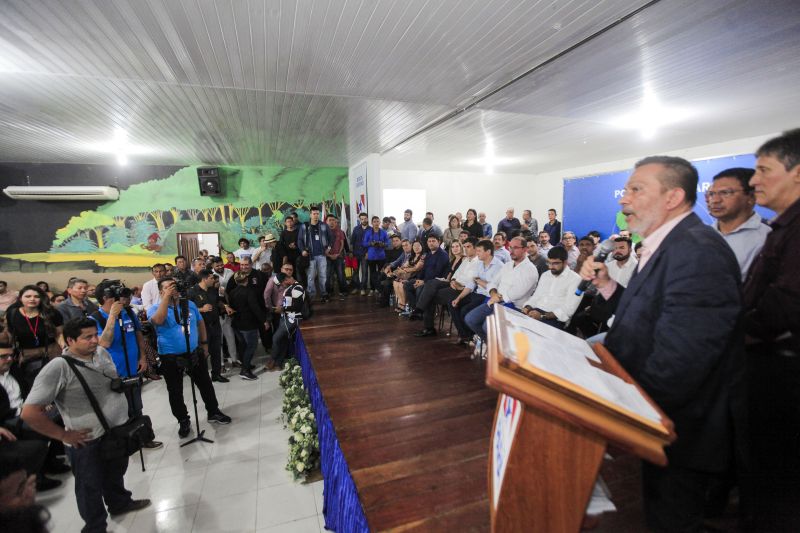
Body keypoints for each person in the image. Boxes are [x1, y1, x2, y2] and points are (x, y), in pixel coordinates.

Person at [579, 155, 743, 532]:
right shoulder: (666, 244)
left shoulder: (697, 251)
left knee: (673, 518)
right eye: (626, 190)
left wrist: (625, 416)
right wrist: (607, 285)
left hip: (681, 424)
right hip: (662, 414)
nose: (624, 199)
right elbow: (645, 317)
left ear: (673, 197)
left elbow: (683, 358)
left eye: (636, 190)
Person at [21, 318, 151, 533]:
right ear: (70, 341)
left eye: (95, 335)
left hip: (115, 431)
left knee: (115, 473)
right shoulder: (58, 367)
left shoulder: (101, 353)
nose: (94, 340)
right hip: (86, 441)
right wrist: (63, 435)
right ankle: (95, 527)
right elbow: (29, 412)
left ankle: (119, 502)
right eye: (87, 337)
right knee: (89, 486)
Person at [741, 129, 800, 530]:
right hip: (767, 368)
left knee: (780, 489)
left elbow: (786, 304)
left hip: (785, 375)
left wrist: (735, 328)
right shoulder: (783, 227)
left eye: (764, 170)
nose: (754, 180)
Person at [147, 278, 231, 438]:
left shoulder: (189, 304)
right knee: (175, 391)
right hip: (170, 356)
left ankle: (213, 411)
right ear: (160, 291)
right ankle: (183, 420)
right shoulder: (155, 308)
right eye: (168, 287)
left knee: (205, 384)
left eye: (174, 286)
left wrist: (204, 345)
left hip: (193, 352)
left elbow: (200, 323)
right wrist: (167, 298)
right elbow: (158, 320)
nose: (173, 289)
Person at [90, 281, 163, 448]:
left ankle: (143, 438)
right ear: (105, 298)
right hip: (113, 374)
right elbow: (104, 343)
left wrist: (142, 357)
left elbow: (138, 335)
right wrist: (112, 317)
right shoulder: (95, 319)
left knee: (137, 407)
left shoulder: (128, 312)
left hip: (133, 369)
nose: (123, 299)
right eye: (117, 295)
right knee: (120, 411)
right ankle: (125, 443)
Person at [465, 236, 538, 348]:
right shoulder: (508, 265)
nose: (511, 251)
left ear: (525, 249)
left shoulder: (530, 269)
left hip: (514, 307)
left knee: (487, 326)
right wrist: (493, 294)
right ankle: (490, 344)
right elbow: (493, 283)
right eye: (510, 247)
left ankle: (496, 349)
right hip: (496, 301)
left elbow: (517, 293)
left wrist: (497, 298)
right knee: (470, 319)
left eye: (515, 248)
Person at [706, 167, 771, 279]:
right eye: (711, 194)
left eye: (725, 193)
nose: (715, 200)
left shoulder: (768, 236)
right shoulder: (702, 234)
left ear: (751, 197)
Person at [415, 238, 478, 337]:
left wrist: (457, 284)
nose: (465, 249)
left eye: (468, 247)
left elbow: (472, 281)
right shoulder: (466, 260)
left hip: (462, 290)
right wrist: (453, 281)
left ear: (475, 248)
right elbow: (456, 274)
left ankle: (424, 319)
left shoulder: (477, 261)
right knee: (430, 286)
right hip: (453, 284)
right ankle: (423, 318)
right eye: (465, 247)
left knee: (429, 295)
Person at [5, 286, 65, 390]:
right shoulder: (12, 313)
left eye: (36, 296)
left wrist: (64, 349)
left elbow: (59, 334)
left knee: (50, 385)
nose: (32, 299)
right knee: (28, 385)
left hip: (49, 354)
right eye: (28, 296)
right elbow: (10, 335)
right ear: (20, 298)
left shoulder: (51, 313)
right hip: (25, 356)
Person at [520, 247, 582, 330]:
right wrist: (527, 307)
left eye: (555, 263)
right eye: (549, 263)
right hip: (536, 311)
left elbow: (568, 310)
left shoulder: (575, 279)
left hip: (555, 318)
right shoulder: (545, 275)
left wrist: (542, 316)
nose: (550, 267)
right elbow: (536, 296)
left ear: (565, 262)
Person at [188, 270, 229, 383]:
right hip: (202, 327)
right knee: (203, 353)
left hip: (215, 325)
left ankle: (216, 374)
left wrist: (225, 306)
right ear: (204, 279)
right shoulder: (192, 292)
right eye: (211, 278)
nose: (214, 280)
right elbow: (186, 310)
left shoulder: (212, 290)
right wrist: (201, 309)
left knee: (216, 351)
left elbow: (217, 302)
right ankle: (203, 377)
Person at [228, 271, 266, 381]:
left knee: (243, 345)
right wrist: (264, 320)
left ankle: (246, 364)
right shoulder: (249, 291)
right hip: (248, 324)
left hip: (237, 323)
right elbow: (255, 308)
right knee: (251, 346)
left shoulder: (232, 292)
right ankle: (245, 370)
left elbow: (232, 306)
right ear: (247, 280)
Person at [402, 235, 450, 317]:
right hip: (425, 280)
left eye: (433, 241)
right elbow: (424, 269)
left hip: (436, 281)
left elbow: (437, 273)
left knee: (419, 288)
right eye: (429, 241)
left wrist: (423, 281)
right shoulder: (429, 254)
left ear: (439, 242)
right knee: (407, 285)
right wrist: (419, 279)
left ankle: (420, 312)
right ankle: (415, 309)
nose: (431, 243)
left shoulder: (443, 254)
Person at [270, 273, 306, 371]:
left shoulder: (297, 288)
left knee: (276, 338)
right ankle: (278, 363)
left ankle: (272, 360)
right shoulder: (291, 287)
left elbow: (297, 307)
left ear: (286, 279)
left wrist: (283, 309)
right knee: (283, 340)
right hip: (286, 317)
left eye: (282, 283)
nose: (282, 286)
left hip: (293, 318)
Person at [298, 205, 332, 303]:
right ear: (310, 215)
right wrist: (302, 250)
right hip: (310, 256)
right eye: (314, 214)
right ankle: (311, 296)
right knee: (310, 277)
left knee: (323, 276)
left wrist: (329, 248)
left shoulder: (324, 225)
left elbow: (331, 237)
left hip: (322, 255)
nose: (316, 215)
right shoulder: (304, 226)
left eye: (317, 214)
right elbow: (300, 240)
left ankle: (324, 294)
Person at [392, 241, 425, 311]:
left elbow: (416, 268)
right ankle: (401, 303)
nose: (416, 247)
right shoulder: (412, 256)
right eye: (414, 246)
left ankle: (404, 305)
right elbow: (404, 265)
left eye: (418, 245)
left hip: (417, 276)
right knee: (395, 282)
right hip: (410, 276)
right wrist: (400, 269)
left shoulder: (423, 256)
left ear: (422, 246)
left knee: (402, 284)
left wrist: (405, 270)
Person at [363, 216, 391, 294]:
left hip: (381, 256)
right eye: (374, 221)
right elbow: (364, 243)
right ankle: (372, 289)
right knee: (372, 273)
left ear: (380, 222)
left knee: (381, 273)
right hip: (371, 256)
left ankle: (379, 289)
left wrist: (383, 244)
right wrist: (370, 243)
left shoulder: (383, 232)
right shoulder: (368, 232)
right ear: (371, 223)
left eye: (377, 221)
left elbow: (388, 242)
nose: (376, 223)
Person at [324, 216, 350, 299]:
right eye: (330, 220)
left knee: (341, 275)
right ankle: (329, 292)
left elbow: (342, 243)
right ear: (326, 222)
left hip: (338, 257)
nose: (332, 222)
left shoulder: (340, 231)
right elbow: (322, 245)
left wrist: (338, 254)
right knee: (328, 275)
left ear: (336, 222)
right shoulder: (323, 232)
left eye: (333, 220)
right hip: (327, 257)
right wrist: (329, 255)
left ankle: (343, 291)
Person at [350, 212, 370, 295]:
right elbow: (352, 241)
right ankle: (356, 287)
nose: (364, 220)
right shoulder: (356, 229)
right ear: (360, 220)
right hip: (355, 254)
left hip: (365, 254)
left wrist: (368, 253)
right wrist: (351, 252)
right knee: (355, 272)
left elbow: (371, 243)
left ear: (367, 219)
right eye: (362, 219)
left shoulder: (371, 229)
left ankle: (363, 288)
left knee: (364, 272)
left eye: (365, 219)